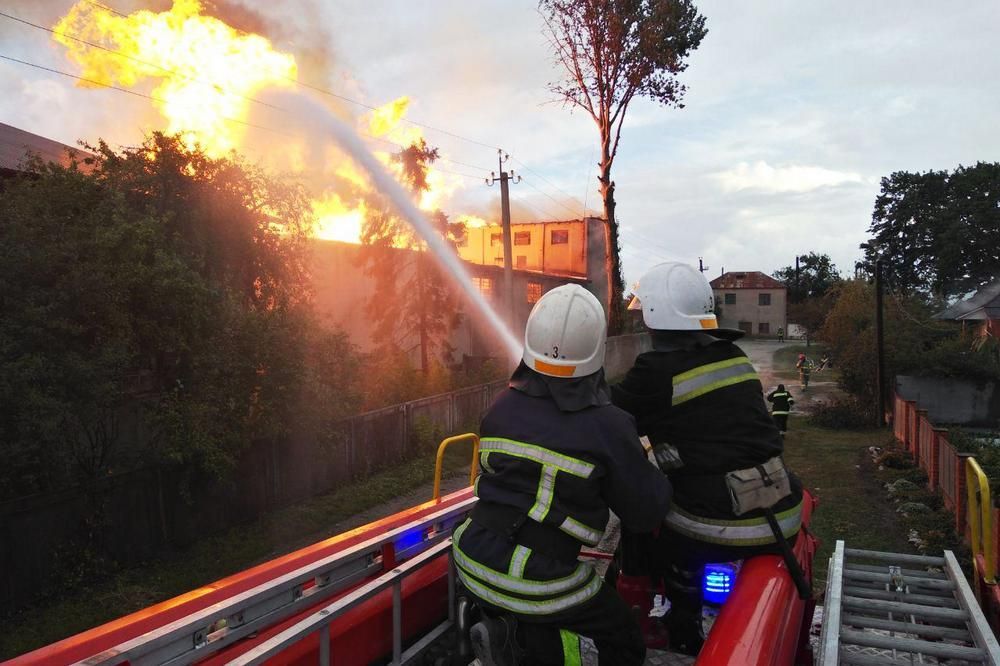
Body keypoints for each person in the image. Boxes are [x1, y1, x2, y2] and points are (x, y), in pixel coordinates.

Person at [458, 284, 672, 666]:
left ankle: (508, 635)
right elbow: (644, 513)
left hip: (472, 558)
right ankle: (523, 637)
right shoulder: (609, 425)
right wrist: (651, 461)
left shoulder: (501, 406)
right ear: (597, 351)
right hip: (539, 577)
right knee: (622, 631)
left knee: (543, 605)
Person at [611, 262, 804, 656]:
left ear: (654, 317)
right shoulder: (732, 354)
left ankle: (676, 618)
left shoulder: (656, 370)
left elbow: (608, 418)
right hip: (779, 507)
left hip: (720, 522)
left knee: (641, 505)